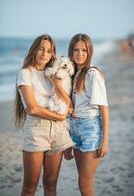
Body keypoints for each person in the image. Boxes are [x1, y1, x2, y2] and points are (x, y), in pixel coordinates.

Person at [15, 34, 74, 196]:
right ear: (34, 50)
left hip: (58, 131)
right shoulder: (25, 73)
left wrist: (57, 84)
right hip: (37, 130)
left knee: (51, 184)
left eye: (49, 51)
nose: (44, 54)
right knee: (29, 186)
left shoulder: (53, 74)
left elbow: (69, 106)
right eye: (41, 49)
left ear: (52, 54)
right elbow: (32, 108)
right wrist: (60, 117)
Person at [64, 33, 109, 196]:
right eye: (76, 50)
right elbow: (70, 108)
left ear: (90, 52)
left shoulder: (92, 74)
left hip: (91, 129)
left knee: (84, 183)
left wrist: (105, 141)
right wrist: (68, 141)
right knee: (82, 181)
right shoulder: (73, 75)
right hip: (74, 129)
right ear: (71, 52)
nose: (80, 54)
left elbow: (104, 108)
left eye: (84, 50)